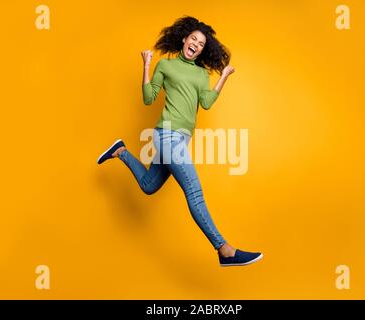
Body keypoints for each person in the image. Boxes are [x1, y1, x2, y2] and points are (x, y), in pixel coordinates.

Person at [97, 16, 263, 267]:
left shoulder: (201, 74)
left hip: (180, 141)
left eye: (201, 43)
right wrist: (146, 64)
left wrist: (224, 76)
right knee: (194, 193)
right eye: (193, 38)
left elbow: (206, 102)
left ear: (202, 50)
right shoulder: (166, 65)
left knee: (148, 185)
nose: (195, 44)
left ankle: (120, 151)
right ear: (184, 39)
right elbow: (148, 98)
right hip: (167, 136)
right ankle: (225, 250)